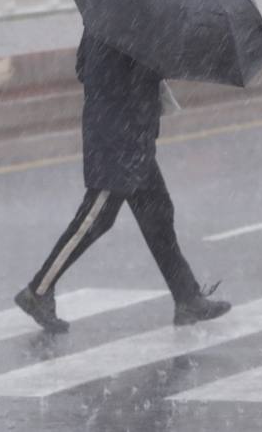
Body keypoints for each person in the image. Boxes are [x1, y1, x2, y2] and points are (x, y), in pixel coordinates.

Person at [14, 31, 231, 332]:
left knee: (158, 214)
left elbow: (89, 68)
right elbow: (102, 72)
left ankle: (186, 297)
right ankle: (38, 290)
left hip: (132, 139)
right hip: (117, 140)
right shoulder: (123, 24)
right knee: (95, 218)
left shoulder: (117, 18)